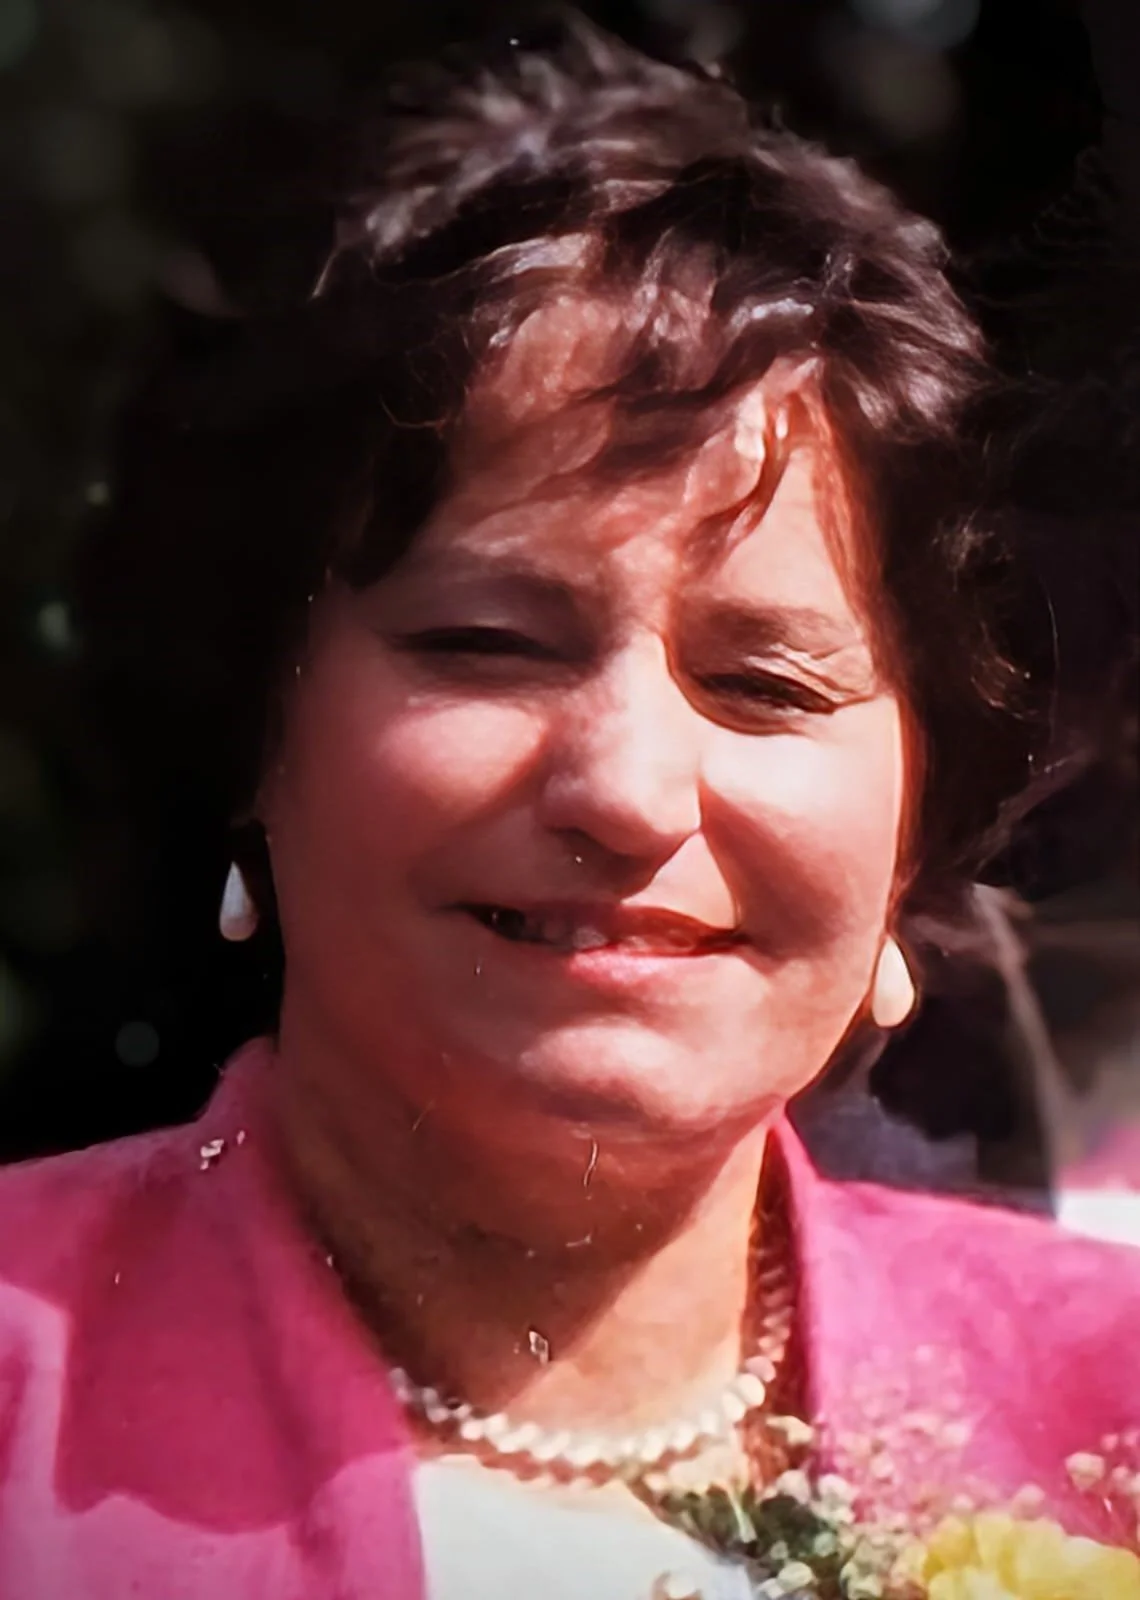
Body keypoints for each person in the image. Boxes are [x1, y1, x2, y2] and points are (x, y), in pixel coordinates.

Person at [1, 16, 1138, 1600]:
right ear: (258, 726)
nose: (624, 790)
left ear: (913, 842)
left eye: (765, 684)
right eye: (488, 646)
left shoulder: (1111, 1408)